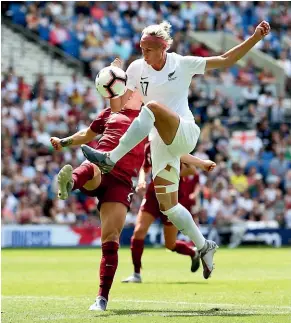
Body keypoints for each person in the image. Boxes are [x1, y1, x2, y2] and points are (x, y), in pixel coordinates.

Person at [81, 20, 271, 278]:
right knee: (169, 206)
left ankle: (110, 158)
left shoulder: (181, 63)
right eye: (140, 48)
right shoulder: (136, 68)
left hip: (184, 132)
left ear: (162, 48)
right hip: (161, 143)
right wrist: (114, 86)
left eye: (147, 49)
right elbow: (121, 108)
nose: (142, 53)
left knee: (152, 108)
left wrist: (255, 38)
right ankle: (204, 246)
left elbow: (225, 59)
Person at [50, 91, 146, 312]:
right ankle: (70, 184)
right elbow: (87, 134)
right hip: (100, 165)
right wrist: (63, 142)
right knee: (91, 165)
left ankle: (102, 298)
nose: (129, 92)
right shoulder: (108, 113)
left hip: (121, 182)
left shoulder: (147, 117)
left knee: (111, 237)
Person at [122, 143, 216, 283]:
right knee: (139, 232)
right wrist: (141, 180)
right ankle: (136, 274)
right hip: (153, 195)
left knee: (170, 244)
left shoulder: (175, 144)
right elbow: (145, 166)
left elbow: (191, 171)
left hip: (172, 196)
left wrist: (171, 170)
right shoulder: (151, 145)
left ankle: (193, 252)